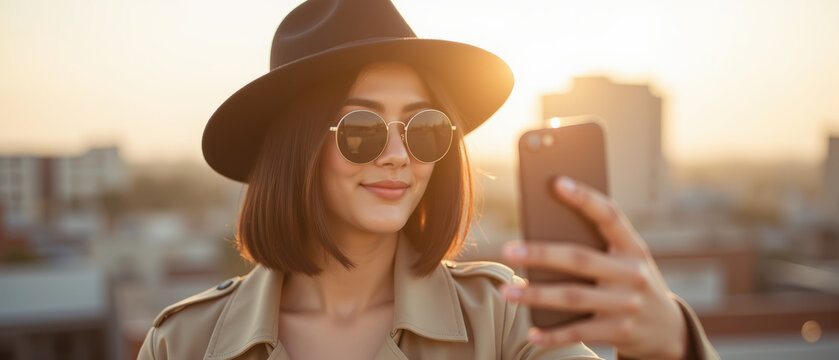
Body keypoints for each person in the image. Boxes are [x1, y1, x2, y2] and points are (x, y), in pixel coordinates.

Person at [138, 0, 720, 359]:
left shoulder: (505, 322)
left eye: (424, 128)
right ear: (295, 150)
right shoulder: (184, 344)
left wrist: (670, 345)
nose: (398, 155)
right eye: (361, 128)